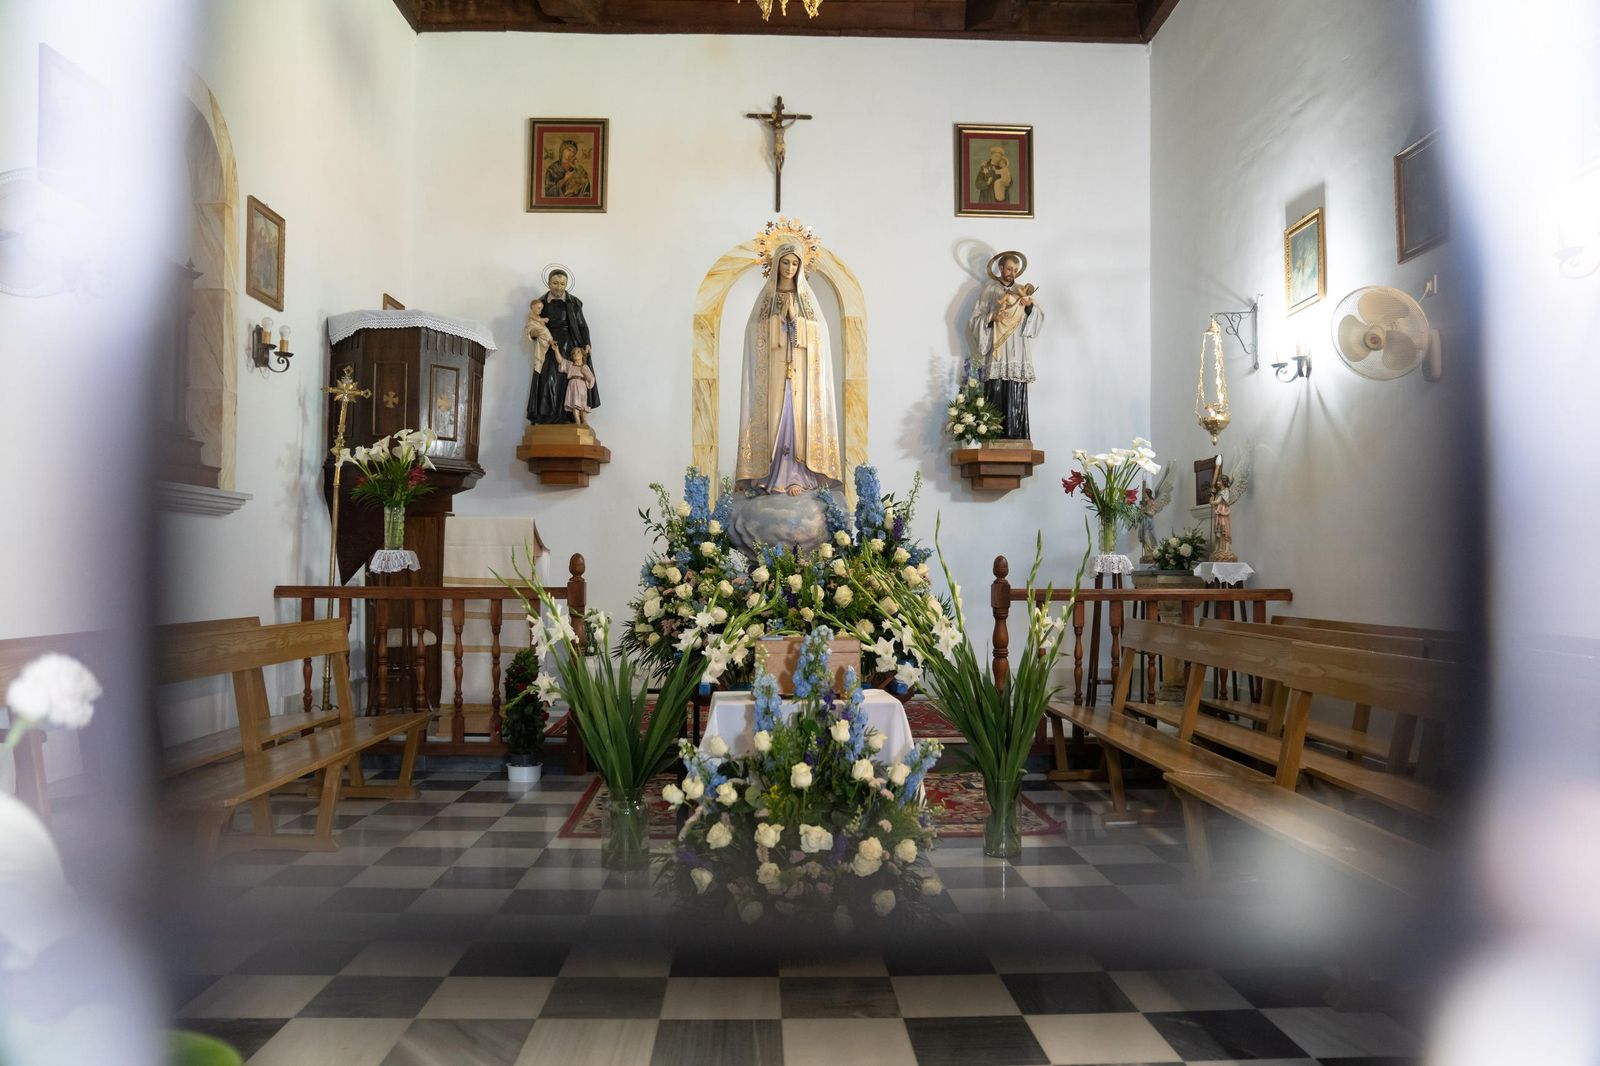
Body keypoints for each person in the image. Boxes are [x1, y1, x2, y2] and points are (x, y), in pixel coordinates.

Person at [734, 244, 842, 495]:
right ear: (776, 264)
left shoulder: (805, 298)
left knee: (798, 417)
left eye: (795, 263)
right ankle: (769, 475)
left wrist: (797, 322)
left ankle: (798, 476)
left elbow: (820, 335)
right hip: (774, 373)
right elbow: (753, 332)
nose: (790, 268)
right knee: (775, 416)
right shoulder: (768, 297)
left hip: (801, 375)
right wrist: (778, 321)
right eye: (785, 262)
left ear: (800, 266)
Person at [969, 251, 1041, 440]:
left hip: (1017, 347)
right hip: (997, 348)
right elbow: (975, 319)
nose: (1012, 273)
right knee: (996, 387)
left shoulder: (1022, 290)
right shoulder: (990, 291)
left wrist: (1029, 306)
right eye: (1009, 269)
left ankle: (1016, 433)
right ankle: (993, 433)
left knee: (1015, 387)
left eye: (1016, 270)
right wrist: (992, 316)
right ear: (1001, 268)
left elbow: (1037, 317)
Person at [525, 269, 599, 424]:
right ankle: (547, 416)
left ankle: (569, 417)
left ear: (566, 285)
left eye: (562, 284)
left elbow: (582, 325)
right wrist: (534, 333)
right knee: (548, 379)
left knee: (570, 379)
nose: (559, 287)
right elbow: (533, 322)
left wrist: (586, 343)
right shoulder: (541, 303)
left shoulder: (573, 302)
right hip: (548, 345)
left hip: (570, 344)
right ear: (548, 283)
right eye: (555, 283)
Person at [563, 349, 595, 424]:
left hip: (581, 386)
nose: (575, 354)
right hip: (572, 386)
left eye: (578, 352)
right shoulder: (570, 365)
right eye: (574, 353)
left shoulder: (585, 367)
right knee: (574, 403)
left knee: (582, 404)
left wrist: (585, 373)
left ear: (582, 355)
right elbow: (561, 361)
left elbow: (591, 379)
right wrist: (556, 350)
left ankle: (585, 421)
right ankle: (577, 421)